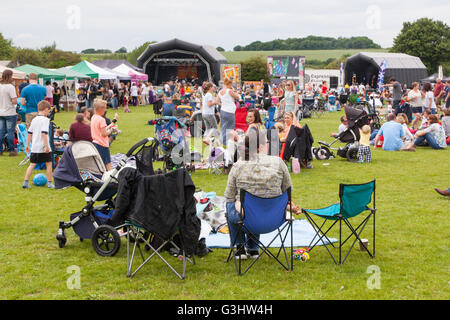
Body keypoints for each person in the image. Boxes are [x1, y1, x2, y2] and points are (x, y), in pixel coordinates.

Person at [224, 129, 293, 259]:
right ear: (261, 146)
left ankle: (239, 248)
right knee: (255, 204)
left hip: (246, 218)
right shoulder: (278, 162)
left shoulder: (238, 166)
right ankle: (253, 248)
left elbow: (229, 195)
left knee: (231, 204)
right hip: (275, 218)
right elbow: (288, 189)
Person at [22, 100, 54, 189]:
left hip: (35, 147)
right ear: (46, 109)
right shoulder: (46, 120)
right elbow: (44, 133)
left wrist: (27, 145)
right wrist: (47, 146)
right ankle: (50, 183)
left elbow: (29, 133)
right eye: (49, 111)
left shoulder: (34, 119)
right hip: (43, 147)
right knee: (49, 164)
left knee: (32, 164)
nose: (49, 113)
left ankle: (25, 182)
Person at [90, 99, 115, 171]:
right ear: (101, 109)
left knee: (99, 163)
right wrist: (112, 130)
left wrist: (111, 125)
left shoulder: (94, 117)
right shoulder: (101, 119)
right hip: (102, 144)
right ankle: (110, 178)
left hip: (95, 143)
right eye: (105, 108)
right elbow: (104, 133)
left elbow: (100, 130)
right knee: (107, 164)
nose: (105, 110)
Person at [0, 69, 18, 156]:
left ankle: (0, 150)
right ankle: (11, 150)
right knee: (10, 132)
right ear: (9, 76)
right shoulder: (10, 87)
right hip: (10, 112)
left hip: (1, 112)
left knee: (1, 131)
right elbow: (14, 101)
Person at [218, 78, 240, 146]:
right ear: (229, 84)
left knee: (223, 127)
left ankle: (221, 141)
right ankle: (228, 142)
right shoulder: (229, 91)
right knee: (230, 127)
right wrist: (234, 91)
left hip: (223, 110)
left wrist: (223, 105)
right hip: (230, 112)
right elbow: (237, 97)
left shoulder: (220, 92)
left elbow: (217, 101)